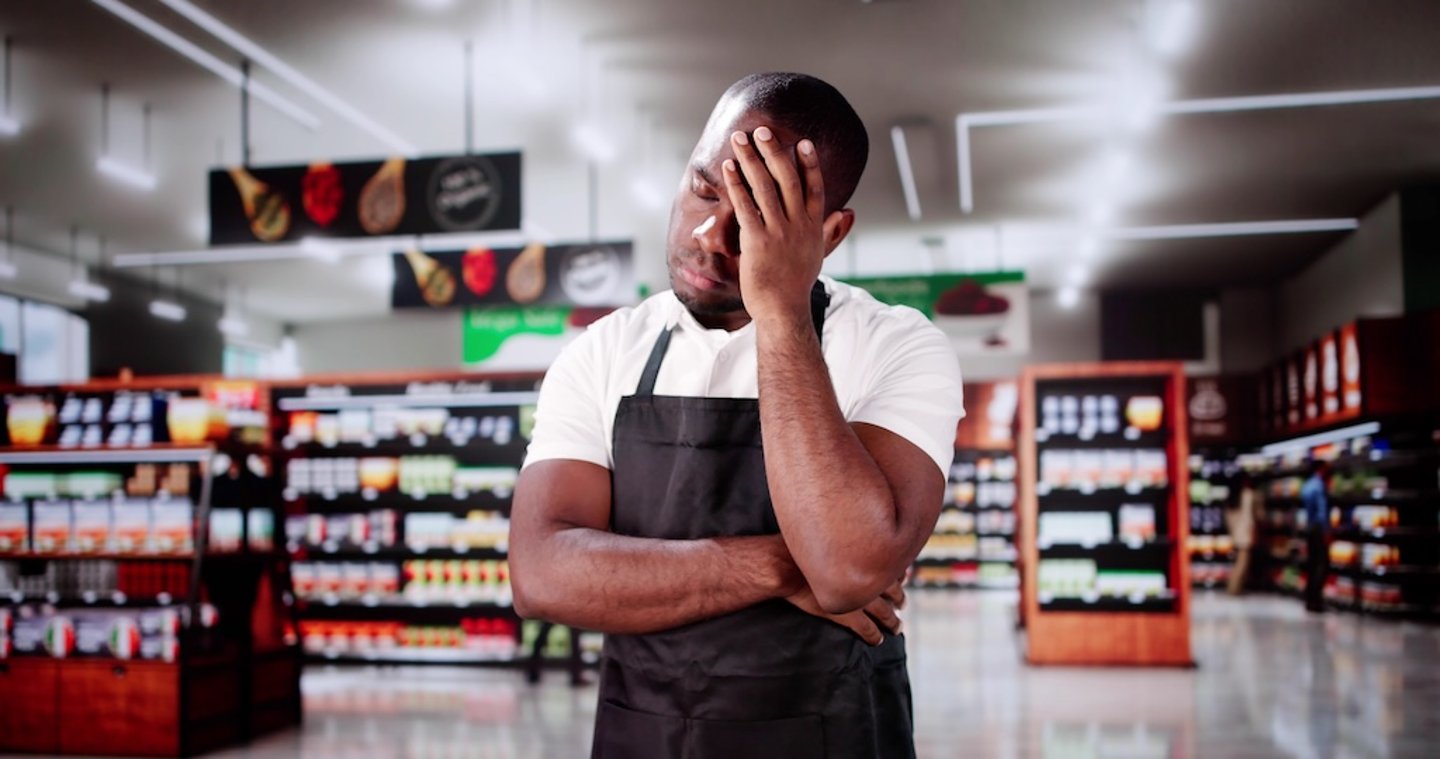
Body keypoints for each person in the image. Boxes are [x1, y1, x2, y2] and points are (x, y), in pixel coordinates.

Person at [509, 72, 965, 759]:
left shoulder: (896, 346)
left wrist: (781, 310)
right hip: (646, 736)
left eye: (758, 215)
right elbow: (541, 572)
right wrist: (783, 566)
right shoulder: (604, 351)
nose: (709, 234)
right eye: (703, 187)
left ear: (829, 232)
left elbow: (844, 567)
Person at [1300, 460, 1331, 612]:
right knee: (1321, 564)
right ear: (1321, 469)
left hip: (1309, 527)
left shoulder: (1307, 485)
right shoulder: (1319, 486)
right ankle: (1316, 600)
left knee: (1311, 564)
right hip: (1318, 528)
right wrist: (1326, 531)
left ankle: (1308, 598)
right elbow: (1322, 511)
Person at [1224, 472, 1260, 595]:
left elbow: (1228, 518)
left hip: (1235, 532)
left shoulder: (1232, 496)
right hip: (1245, 532)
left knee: (1239, 561)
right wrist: (1252, 532)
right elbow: (1249, 517)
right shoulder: (1247, 495)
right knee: (1242, 562)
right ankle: (1233, 588)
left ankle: (1236, 588)